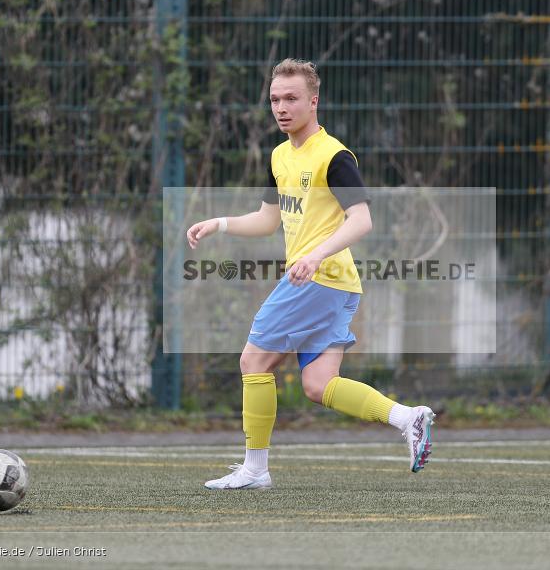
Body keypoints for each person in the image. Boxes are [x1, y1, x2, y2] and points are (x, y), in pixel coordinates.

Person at [186, 58, 435, 490]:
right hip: (336, 286)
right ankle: (407, 417)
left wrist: (316, 255)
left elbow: (361, 220)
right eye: (275, 100)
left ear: (313, 101)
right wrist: (220, 224)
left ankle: (255, 470)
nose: (281, 108)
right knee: (319, 385)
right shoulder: (280, 156)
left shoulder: (334, 156)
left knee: (253, 360)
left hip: (319, 280)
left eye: (291, 98)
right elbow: (267, 220)